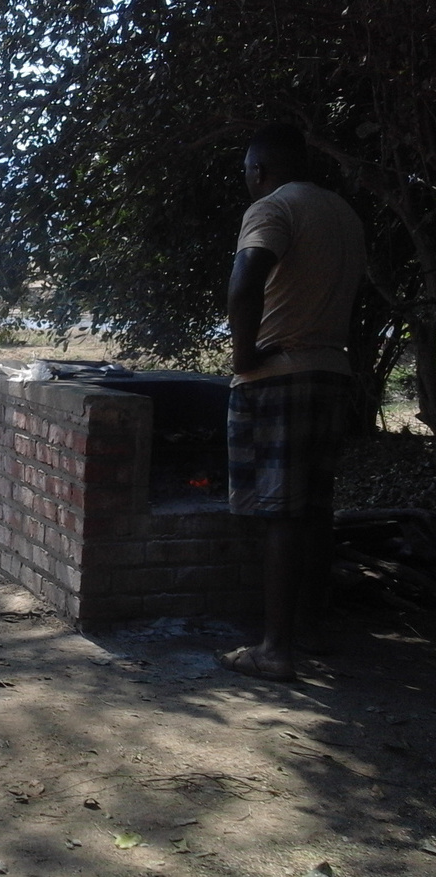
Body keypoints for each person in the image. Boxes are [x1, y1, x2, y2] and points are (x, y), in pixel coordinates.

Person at [217, 122, 366, 683]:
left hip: (279, 377)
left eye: (247, 174)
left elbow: (245, 279)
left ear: (259, 170)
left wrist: (243, 354)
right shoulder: (343, 214)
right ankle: (312, 628)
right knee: (314, 509)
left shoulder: (272, 208)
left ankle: (274, 649)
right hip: (333, 372)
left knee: (278, 512)